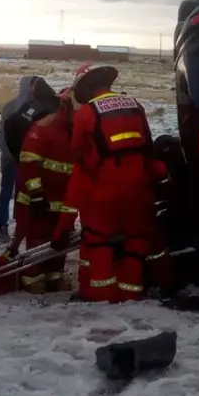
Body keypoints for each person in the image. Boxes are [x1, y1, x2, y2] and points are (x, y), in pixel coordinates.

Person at [51, 64, 167, 303]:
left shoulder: (86, 114)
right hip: (140, 192)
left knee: (99, 244)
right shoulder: (136, 105)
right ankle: (131, 296)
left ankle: (103, 299)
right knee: (135, 243)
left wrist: (63, 228)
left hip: (103, 196)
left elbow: (76, 154)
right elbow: (148, 147)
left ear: (87, 88)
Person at [5, 88, 77, 293]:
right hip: (39, 198)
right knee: (38, 237)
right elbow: (29, 163)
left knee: (61, 238)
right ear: (66, 106)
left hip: (63, 198)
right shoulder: (43, 128)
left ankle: (54, 276)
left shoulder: (77, 132)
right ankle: (32, 277)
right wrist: (36, 194)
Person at [0, 75, 40, 242]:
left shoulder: (35, 107)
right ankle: (2, 225)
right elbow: (3, 133)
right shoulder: (12, 107)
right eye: (32, 85)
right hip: (11, 157)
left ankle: (21, 224)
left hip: (26, 157)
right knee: (6, 191)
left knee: (23, 193)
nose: (33, 89)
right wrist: (10, 154)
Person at [3, 77, 59, 161]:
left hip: (32, 150)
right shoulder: (53, 104)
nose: (29, 90)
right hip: (27, 149)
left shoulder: (37, 105)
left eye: (31, 87)